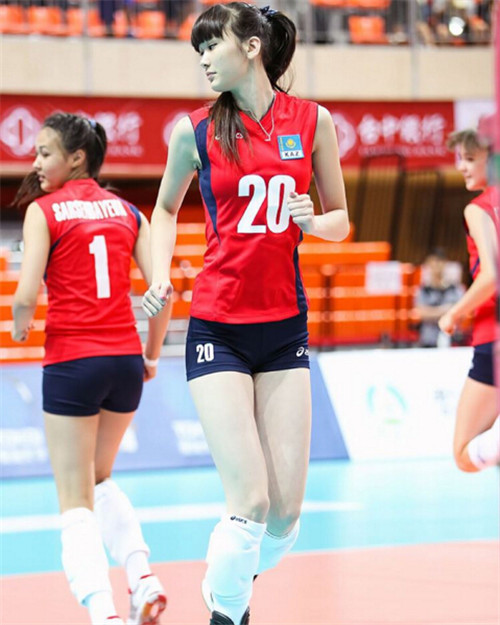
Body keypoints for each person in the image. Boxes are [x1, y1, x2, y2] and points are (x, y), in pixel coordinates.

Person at [142, 4, 349, 625]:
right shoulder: (194, 131)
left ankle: (223, 584)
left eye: (213, 45)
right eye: (198, 49)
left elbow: (341, 220)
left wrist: (316, 221)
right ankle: (228, 611)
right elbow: (164, 210)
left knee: (283, 520)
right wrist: (158, 273)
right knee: (250, 502)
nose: (203, 58)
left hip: (284, 330)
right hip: (218, 328)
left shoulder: (313, 121)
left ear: (252, 47)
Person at [11, 112, 170, 625]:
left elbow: (25, 295)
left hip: (72, 361)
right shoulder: (129, 213)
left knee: (74, 497)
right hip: (124, 361)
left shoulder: (44, 211)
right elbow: (161, 293)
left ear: (77, 158)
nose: (35, 163)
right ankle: (142, 578)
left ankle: (103, 612)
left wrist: (19, 326)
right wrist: (151, 354)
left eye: (45, 153)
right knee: (99, 479)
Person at [438, 128, 499, 472]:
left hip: (493, 335)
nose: (461, 166)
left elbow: (491, 276)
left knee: (465, 455)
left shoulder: (479, 209)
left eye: (470, 159)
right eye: (459, 158)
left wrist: (453, 314)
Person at [413, 247, 464, 347]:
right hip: (428, 341)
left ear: (445, 263)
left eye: (440, 261)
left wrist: (432, 312)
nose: (437, 265)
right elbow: (421, 313)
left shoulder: (455, 289)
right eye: (433, 262)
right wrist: (446, 310)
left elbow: (462, 311)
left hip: (453, 340)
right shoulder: (423, 290)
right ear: (428, 264)